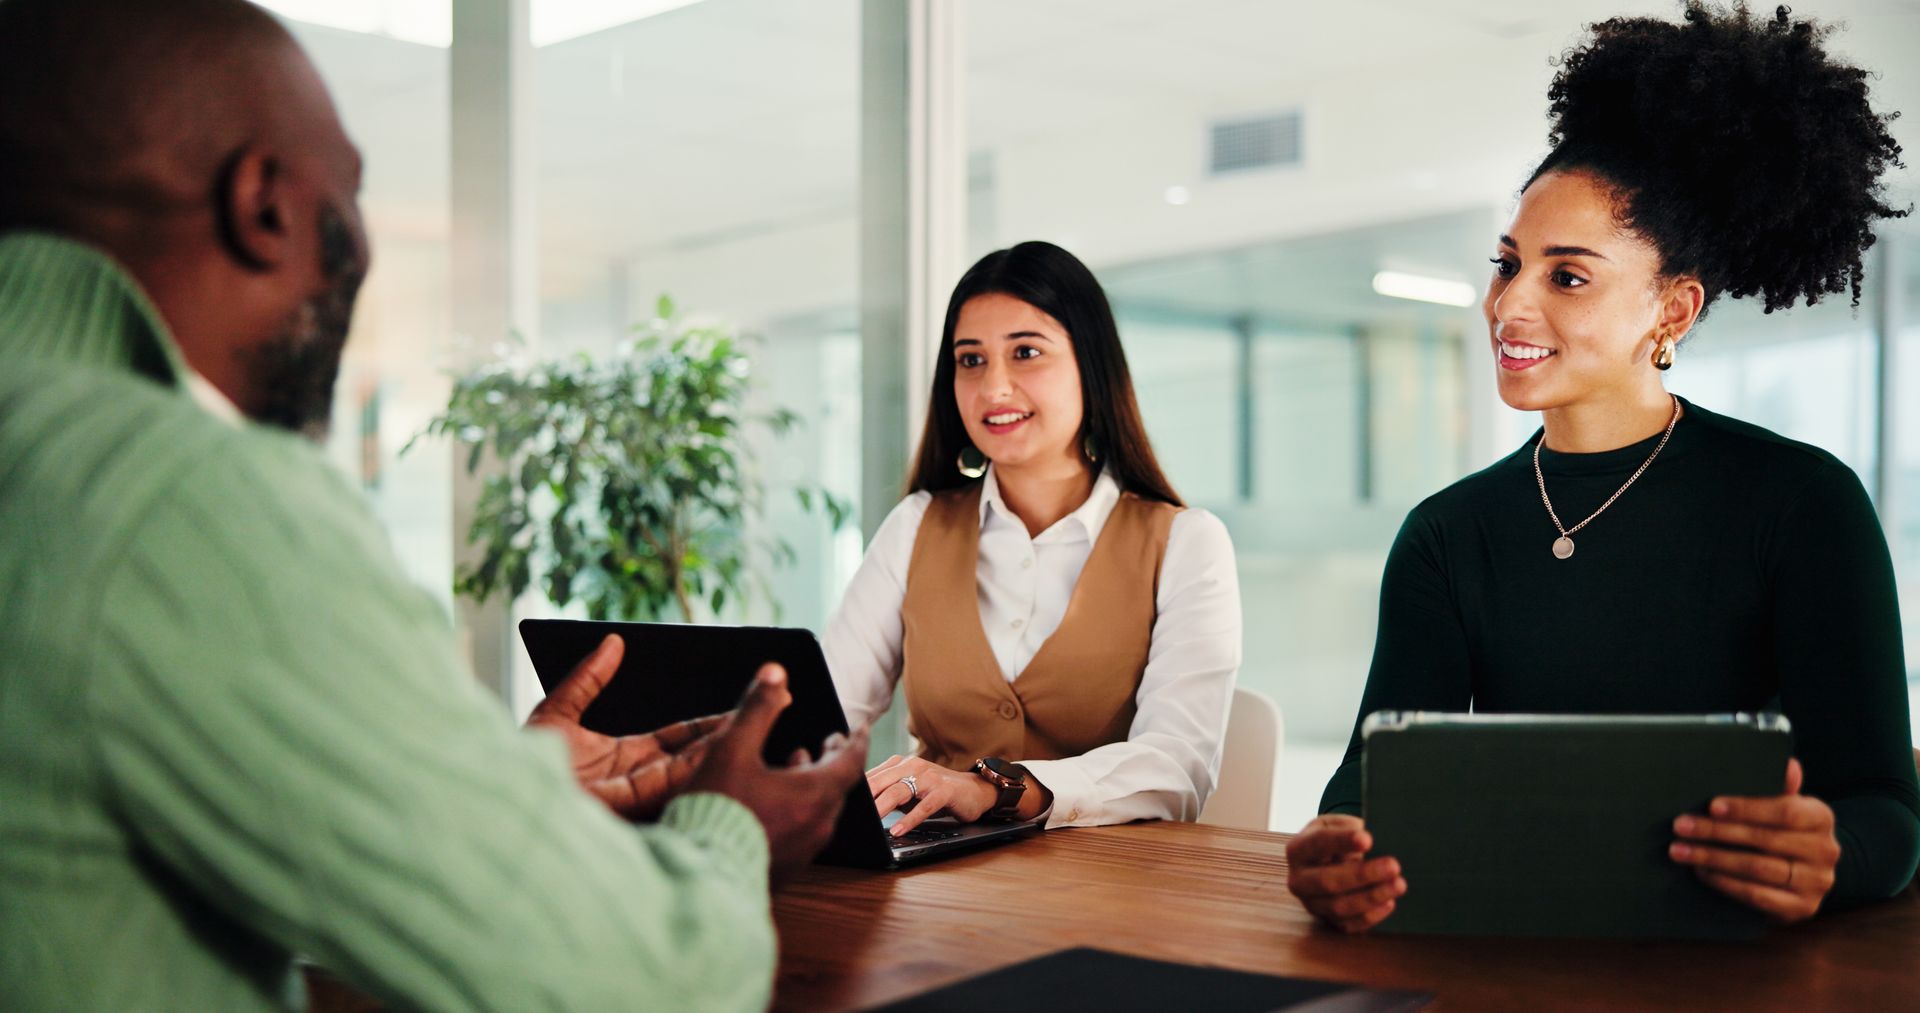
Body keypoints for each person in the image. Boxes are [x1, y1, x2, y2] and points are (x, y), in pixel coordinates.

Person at [0, 1, 865, 1008]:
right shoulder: (179, 496)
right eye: (354, 192)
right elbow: (643, 978)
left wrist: (486, 792)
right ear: (264, 204)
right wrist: (731, 834)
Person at [1286, 1, 1920, 933]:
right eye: (1509, 265)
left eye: (1567, 275)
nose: (1510, 305)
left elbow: (1886, 812)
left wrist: (1833, 854)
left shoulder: (1801, 502)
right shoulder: (1446, 534)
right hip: (1503, 951)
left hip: (1742, 964)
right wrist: (1335, 844)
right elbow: (1370, 781)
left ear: (1672, 311)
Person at [823, 241, 1242, 836]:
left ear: (1090, 366)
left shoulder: (1186, 542)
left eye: (1025, 352)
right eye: (971, 360)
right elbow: (830, 712)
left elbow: (1178, 766)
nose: (994, 387)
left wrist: (989, 789)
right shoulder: (916, 525)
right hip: (935, 886)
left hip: (1114, 888)